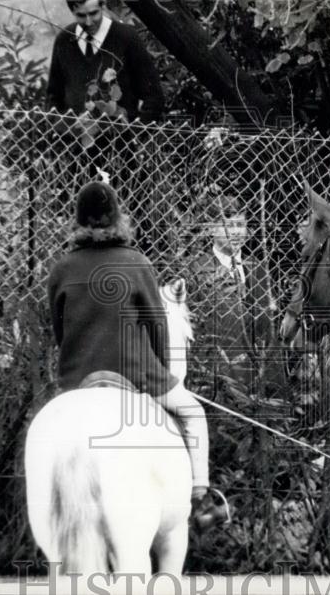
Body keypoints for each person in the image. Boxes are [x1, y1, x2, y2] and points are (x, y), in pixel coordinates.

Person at [47, 180, 228, 528]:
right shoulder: (136, 263)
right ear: (118, 219)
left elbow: (60, 333)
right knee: (193, 413)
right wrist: (161, 371)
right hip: (137, 374)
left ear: (78, 221)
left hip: (77, 381)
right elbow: (157, 325)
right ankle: (201, 500)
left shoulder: (61, 270)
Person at [46, 0, 165, 122]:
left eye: (93, 13)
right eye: (81, 15)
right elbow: (53, 96)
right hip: (74, 134)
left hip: (121, 135)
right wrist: (60, 128)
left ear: (102, 6)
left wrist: (136, 131)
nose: (89, 22)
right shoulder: (64, 41)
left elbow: (153, 96)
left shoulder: (126, 37)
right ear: (73, 12)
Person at [182, 194, 279, 357]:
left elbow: (271, 320)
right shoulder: (197, 270)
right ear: (211, 228)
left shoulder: (258, 268)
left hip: (259, 359)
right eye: (228, 225)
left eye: (240, 225)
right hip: (220, 361)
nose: (235, 232)